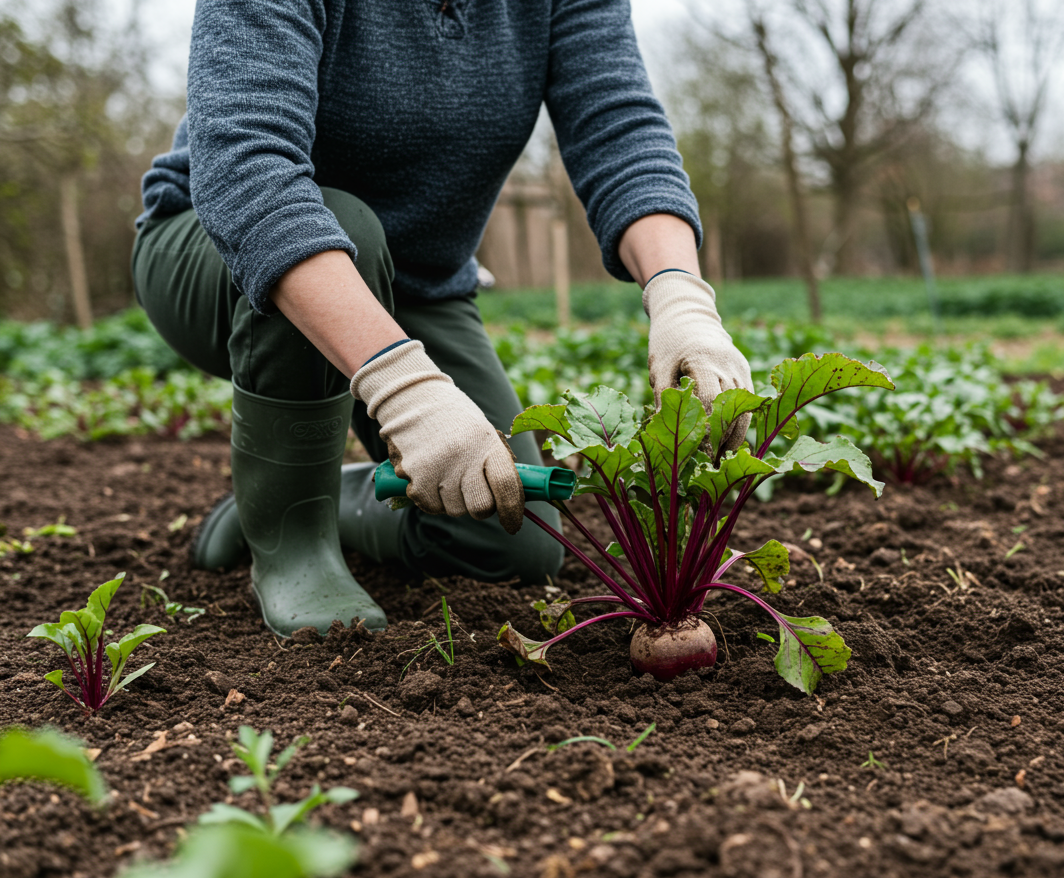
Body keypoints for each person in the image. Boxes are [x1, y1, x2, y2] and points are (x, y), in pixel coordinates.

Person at [131, 0, 753, 639]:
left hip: (420, 288)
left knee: (509, 541)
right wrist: (404, 386)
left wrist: (681, 296)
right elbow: (247, 166)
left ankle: (316, 494)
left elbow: (618, 130)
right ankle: (292, 539)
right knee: (345, 224)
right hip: (225, 255)